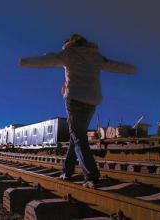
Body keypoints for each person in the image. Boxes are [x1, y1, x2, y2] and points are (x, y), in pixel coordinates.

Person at [19, 34, 136, 187]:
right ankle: (66, 172)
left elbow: (48, 60)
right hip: (92, 101)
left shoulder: (69, 54)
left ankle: (91, 177)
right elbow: (115, 65)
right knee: (77, 136)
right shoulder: (95, 56)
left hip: (74, 99)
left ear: (70, 43)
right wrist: (132, 69)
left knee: (78, 136)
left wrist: (25, 62)